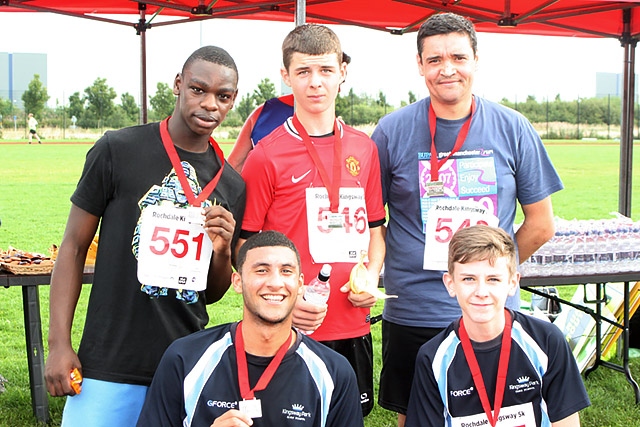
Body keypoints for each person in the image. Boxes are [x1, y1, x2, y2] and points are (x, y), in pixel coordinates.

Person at [371, 12, 564, 426]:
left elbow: (541, 223)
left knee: (501, 413)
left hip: (488, 311)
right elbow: (372, 220)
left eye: (458, 56)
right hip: (415, 310)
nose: (447, 68)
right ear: (420, 65)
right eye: (435, 59)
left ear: (476, 60)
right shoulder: (391, 131)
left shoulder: (514, 128)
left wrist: (491, 271)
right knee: (415, 415)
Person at [44, 45, 246, 427]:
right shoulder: (117, 150)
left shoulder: (231, 183)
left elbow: (212, 293)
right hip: (109, 359)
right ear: (177, 85)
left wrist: (222, 253)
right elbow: (72, 247)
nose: (209, 105)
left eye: (222, 96)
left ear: (233, 100)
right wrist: (58, 344)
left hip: (184, 360)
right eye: (198, 90)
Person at [239, 24, 386, 417]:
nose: (315, 83)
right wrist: (283, 297)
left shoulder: (364, 148)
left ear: (343, 72)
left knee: (349, 417)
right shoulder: (266, 155)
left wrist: (369, 277)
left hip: (353, 323)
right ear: (286, 77)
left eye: (325, 70)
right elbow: (245, 245)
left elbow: (375, 231)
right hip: (290, 327)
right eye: (303, 72)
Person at [136, 230, 364, 427]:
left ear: (300, 283)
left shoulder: (334, 373)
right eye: (261, 270)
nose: (275, 283)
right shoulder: (186, 358)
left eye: (286, 271)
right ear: (237, 281)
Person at [405, 225, 590, 426]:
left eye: (493, 279)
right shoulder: (433, 357)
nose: (481, 291)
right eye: (469, 279)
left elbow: (567, 421)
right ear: (450, 284)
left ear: (512, 283)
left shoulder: (546, 341)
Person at [228, 52, 351, 172]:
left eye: (326, 72)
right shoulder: (262, 113)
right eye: (305, 72)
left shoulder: (262, 113)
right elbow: (234, 166)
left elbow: (233, 168)